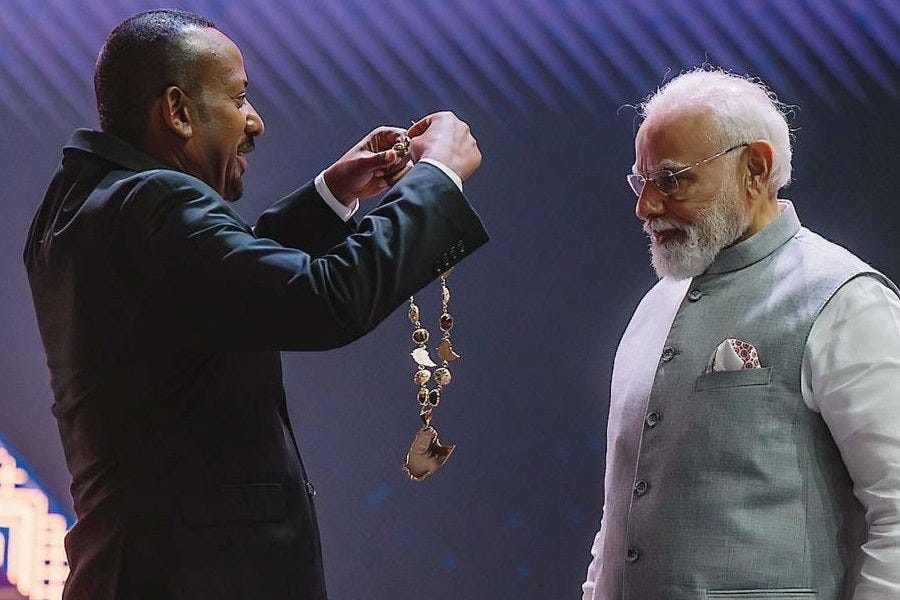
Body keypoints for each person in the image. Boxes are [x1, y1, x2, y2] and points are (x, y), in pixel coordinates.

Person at [24, 9, 488, 600]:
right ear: (179, 111)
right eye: (239, 97)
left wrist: (335, 193)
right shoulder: (152, 204)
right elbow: (323, 302)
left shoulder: (85, 202)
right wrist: (438, 178)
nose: (254, 120)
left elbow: (228, 292)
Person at [581, 69, 900, 599]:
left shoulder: (846, 300)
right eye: (642, 182)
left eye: (672, 178)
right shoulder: (656, 305)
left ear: (755, 168)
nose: (646, 206)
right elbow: (623, 512)